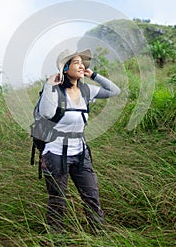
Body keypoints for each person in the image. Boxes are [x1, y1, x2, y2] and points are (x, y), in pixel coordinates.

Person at [38, 48, 121, 233]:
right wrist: (48, 85)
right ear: (65, 68)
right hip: (55, 154)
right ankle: (56, 239)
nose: (82, 65)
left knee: (91, 196)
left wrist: (94, 75)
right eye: (76, 62)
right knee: (58, 201)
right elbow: (46, 113)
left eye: (83, 63)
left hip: (81, 153)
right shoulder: (54, 90)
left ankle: (98, 234)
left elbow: (115, 91)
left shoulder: (86, 90)